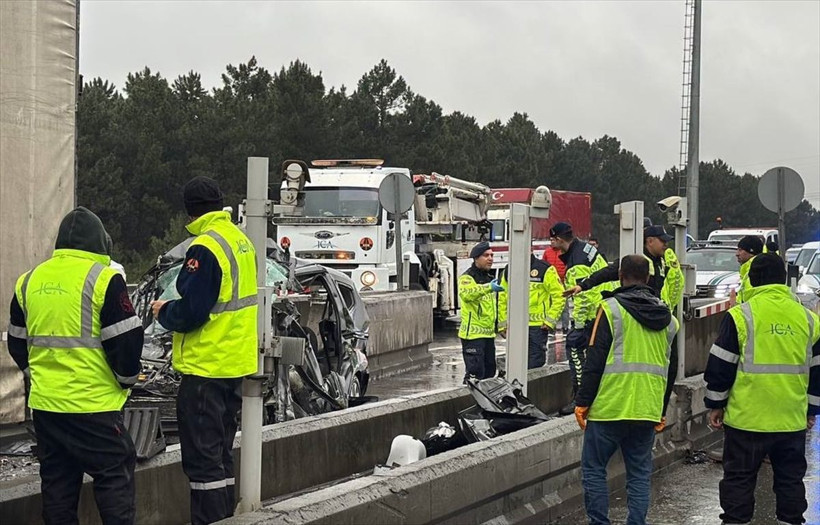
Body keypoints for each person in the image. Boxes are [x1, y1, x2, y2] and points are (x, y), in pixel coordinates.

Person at [7, 207, 143, 525]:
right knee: (114, 474)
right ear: (100, 243)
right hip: (94, 406)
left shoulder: (29, 281)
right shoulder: (105, 279)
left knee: (58, 485)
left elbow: (16, 342)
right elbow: (126, 342)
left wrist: (36, 376)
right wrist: (126, 380)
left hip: (47, 408)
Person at [150, 176, 258, 525]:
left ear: (190, 210)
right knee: (220, 455)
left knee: (202, 462)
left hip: (206, 367)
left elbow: (193, 310)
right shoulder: (240, 240)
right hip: (233, 366)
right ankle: (225, 518)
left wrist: (164, 311)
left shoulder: (205, 247)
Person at [704, 254, 819, 525]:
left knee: (739, 480)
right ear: (784, 280)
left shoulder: (740, 315)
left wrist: (716, 404)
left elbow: (721, 364)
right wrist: (811, 410)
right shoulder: (808, 319)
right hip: (790, 420)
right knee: (790, 481)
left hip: (746, 420)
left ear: (752, 280)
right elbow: (817, 371)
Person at [574, 255, 679, 525]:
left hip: (609, 407)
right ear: (648, 278)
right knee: (639, 474)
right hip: (646, 408)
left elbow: (594, 360)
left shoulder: (610, 309)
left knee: (594, 469)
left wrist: (583, 402)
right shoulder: (669, 319)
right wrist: (661, 410)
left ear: (620, 276)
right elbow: (671, 370)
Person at [566, 225, 684, 424]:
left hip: (656, 314)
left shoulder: (662, 260)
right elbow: (608, 272)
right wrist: (583, 285)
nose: (666, 244)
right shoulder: (636, 261)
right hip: (641, 315)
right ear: (649, 241)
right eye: (662, 241)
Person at [549, 222, 609, 415]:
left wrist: (578, 325)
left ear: (559, 239)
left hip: (592, 315)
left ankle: (580, 398)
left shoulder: (577, 262)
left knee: (575, 349)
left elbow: (583, 297)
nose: (550, 243)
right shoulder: (583, 248)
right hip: (602, 309)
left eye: (552, 239)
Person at [497, 251, 564, 368]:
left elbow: (559, 296)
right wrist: (502, 325)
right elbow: (502, 298)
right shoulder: (509, 269)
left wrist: (550, 321)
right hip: (515, 326)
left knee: (535, 363)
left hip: (537, 327)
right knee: (515, 364)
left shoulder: (545, 269)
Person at [458, 241, 503, 381]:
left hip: (488, 335)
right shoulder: (467, 277)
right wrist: (488, 287)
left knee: (489, 372)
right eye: (486, 255)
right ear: (476, 258)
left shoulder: (489, 278)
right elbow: (467, 295)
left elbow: (493, 306)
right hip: (473, 336)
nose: (490, 258)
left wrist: (500, 326)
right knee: (475, 374)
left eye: (492, 255)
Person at [733, 235, 763, 304]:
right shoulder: (748, 271)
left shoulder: (754, 274)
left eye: (740, 250)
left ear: (751, 251)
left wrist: (733, 306)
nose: (737, 254)